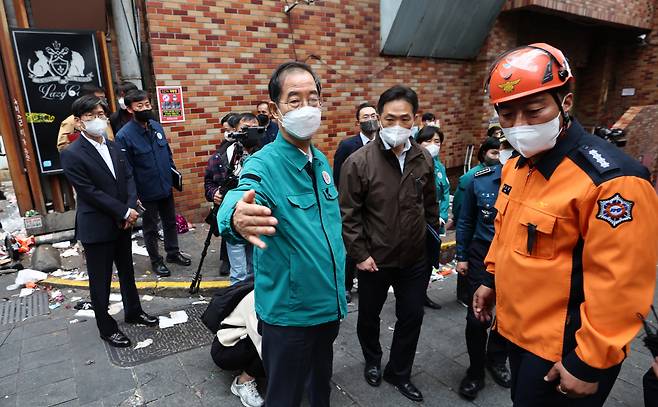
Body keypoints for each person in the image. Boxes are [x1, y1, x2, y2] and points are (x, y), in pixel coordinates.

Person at [473, 43, 658, 406]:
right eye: (507, 115)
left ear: (565, 103)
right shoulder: (518, 166)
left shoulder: (612, 180)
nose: (519, 125)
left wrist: (590, 362)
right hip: (519, 332)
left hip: (565, 350)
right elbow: (507, 233)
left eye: (534, 110)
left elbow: (621, 283)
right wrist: (491, 279)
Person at [217, 61, 347, 407]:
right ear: (275, 110)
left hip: (327, 310)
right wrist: (235, 215)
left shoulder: (320, 161)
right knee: (284, 397)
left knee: (320, 391)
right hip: (290, 319)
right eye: (294, 100)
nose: (306, 108)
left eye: (313, 98)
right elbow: (241, 194)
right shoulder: (265, 163)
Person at [340, 85, 440, 402]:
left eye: (404, 118)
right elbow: (348, 214)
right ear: (379, 119)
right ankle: (372, 359)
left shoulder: (423, 158)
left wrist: (432, 245)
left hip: (414, 257)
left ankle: (399, 372)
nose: (397, 125)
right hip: (375, 259)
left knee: (412, 315)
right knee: (369, 316)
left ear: (414, 120)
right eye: (390, 118)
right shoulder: (358, 162)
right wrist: (360, 254)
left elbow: (430, 205)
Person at [60, 95, 157, 347]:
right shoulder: (72, 153)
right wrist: (123, 213)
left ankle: (134, 311)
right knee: (100, 279)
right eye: (90, 116)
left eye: (101, 114)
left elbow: (128, 178)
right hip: (97, 226)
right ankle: (106, 326)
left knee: (127, 271)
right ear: (79, 122)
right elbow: (88, 191)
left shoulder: (114, 146)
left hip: (123, 222)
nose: (98, 119)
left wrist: (129, 209)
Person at [454, 136, 511, 400]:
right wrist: (462, 256)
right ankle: (475, 371)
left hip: (518, 259)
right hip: (482, 255)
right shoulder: (481, 180)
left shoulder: (542, 181)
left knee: (510, 316)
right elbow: (465, 221)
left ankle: (497, 358)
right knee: (477, 318)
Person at [116, 89, 191, 277]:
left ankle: (173, 253)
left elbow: (167, 154)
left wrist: (174, 175)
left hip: (165, 185)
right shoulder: (123, 136)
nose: (145, 108)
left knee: (170, 221)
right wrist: (134, 196)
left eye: (147, 104)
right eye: (139, 106)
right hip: (145, 190)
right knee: (150, 228)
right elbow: (127, 170)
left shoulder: (156, 127)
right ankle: (156, 260)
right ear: (130, 109)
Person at [206, 113, 261, 285]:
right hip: (231, 219)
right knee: (238, 273)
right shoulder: (222, 157)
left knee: (256, 270)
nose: (249, 134)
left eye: (254, 130)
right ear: (235, 132)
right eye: (245, 130)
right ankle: (237, 306)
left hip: (258, 219)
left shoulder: (266, 156)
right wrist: (213, 193)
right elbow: (208, 181)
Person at [333, 102, 379, 303]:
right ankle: (346, 285)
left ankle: (370, 281)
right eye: (366, 117)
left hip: (376, 205)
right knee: (353, 245)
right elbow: (338, 175)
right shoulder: (347, 146)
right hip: (354, 204)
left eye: (373, 115)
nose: (370, 120)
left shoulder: (384, 143)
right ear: (358, 121)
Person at [451, 136, 497, 306]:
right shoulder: (473, 177)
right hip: (477, 236)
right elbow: (462, 209)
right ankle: (465, 296)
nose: (498, 156)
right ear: (484, 153)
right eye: (494, 152)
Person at [208, 280, 265, 407]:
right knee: (274, 343)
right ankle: (242, 382)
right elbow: (261, 343)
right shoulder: (259, 298)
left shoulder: (269, 290)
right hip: (226, 350)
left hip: (242, 339)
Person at [415, 125, 449, 310]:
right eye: (428, 141)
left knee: (429, 261)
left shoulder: (440, 167)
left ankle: (423, 295)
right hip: (418, 224)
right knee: (417, 263)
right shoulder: (414, 165)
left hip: (435, 223)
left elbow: (444, 194)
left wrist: (442, 216)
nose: (433, 145)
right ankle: (414, 298)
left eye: (437, 141)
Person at [57, 84, 114, 151]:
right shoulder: (70, 121)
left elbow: (111, 138)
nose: (102, 101)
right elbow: (62, 147)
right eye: (99, 98)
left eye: (104, 99)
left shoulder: (103, 117)